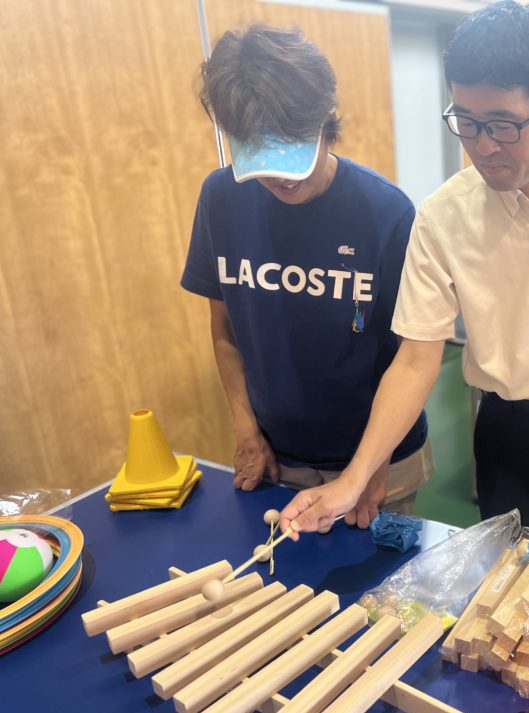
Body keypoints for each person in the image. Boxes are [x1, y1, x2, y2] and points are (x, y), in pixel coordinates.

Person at [279, 1, 529, 570]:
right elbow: (415, 360)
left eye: (503, 125)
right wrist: (353, 478)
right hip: (507, 435)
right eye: (465, 120)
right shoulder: (443, 217)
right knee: (509, 584)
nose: (482, 145)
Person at [181, 24, 431, 525]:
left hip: (377, 457)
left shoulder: (387, 213)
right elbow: (225, 329)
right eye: (259, 155)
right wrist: (246, 428)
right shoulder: (221, 199)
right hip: (280, 457)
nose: (279, 178)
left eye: (290, 150)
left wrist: (369, 466)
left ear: (324, 118)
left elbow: (410, 357)